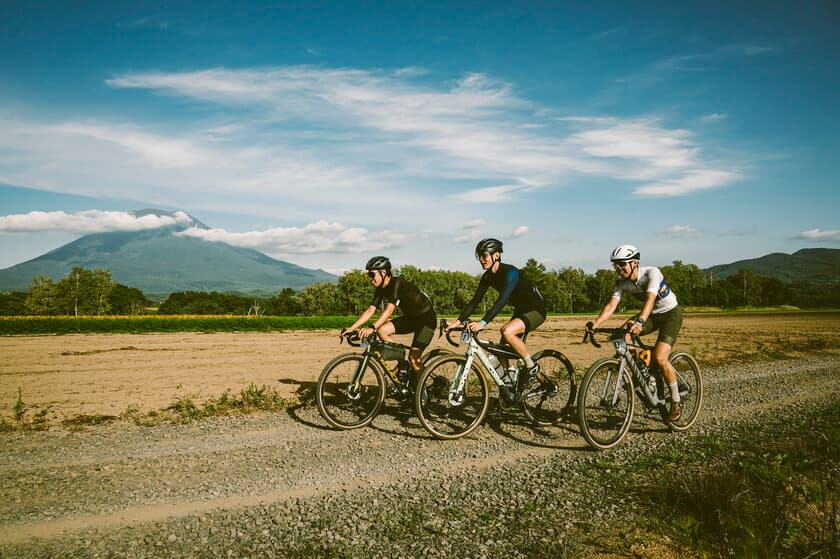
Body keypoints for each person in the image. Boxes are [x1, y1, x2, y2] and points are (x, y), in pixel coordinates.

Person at [586, 244, 684, 420]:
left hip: (670, 314)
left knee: (660, 357)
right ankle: (639, 370)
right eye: (615, 265)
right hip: (652, 315)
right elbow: (611, 306)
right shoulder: (621, 282)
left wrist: (639, 321)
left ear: (635, 263)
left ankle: (676, 401)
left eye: (622, 264)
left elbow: (649, 300)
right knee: (623, 333)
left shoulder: (652, 273)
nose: (618, 268)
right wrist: (596, 323)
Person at [446, 238, 546, 400]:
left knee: (506, 331)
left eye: (484, 256)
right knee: (501, 351)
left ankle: (531, 366)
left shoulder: (511, 272)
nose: (481, 260)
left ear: (497, 255)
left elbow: (502, 300)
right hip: (521, 311)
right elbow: (475, 301)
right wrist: (457, 321)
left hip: (536, 309)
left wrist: (482, 322)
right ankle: (508, 390)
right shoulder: (487, 277)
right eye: (479, 256)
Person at [345, 256, 437, 380]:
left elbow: (389, 311)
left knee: (414, 359)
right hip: (412, 319)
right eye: (368, 274)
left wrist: (371, 328)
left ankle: (423, 394)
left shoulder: (396, 284)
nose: (370, 278)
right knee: (382, 330)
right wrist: (351, 328)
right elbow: (370, 310)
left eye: (372, 274)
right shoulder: (380, 289)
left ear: (383, 273)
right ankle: (403, 364)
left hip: (427, 321)